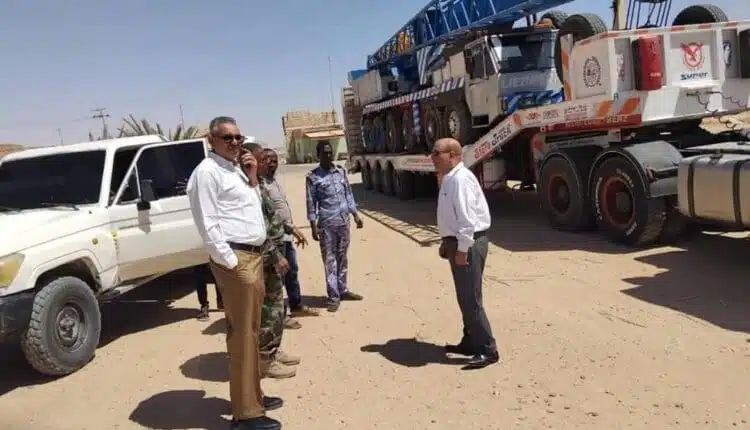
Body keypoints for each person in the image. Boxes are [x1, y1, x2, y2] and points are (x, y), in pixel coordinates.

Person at [186, 116, 282, 430]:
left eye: (238, 137)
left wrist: (252, 177)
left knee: (250, 334)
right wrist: (229, 261)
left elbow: (249, 208)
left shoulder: (234, 169)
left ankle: (251, 397)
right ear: (210, 140)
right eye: (227, 137)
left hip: (251, 256)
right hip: (237, 260)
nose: (235, 142)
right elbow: (208, 223)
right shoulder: (207, 173)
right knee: (243, 336)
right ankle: (247, 414)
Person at [431, 137, 499, 369]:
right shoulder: (449, 178)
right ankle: (470, 341)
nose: (432, 157)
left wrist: (461, 249)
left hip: (468, 244)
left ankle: (488, 349)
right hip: (457, 242)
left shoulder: (460, 179)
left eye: (437, 153)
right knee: (464, 296)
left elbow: (467, 221)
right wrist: (446, 242)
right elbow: (451, 216)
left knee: (471, 298)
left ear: (452, 155)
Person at [244, 141, 303, 379]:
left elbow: (273, 217)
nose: (266, 163)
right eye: (261, 159)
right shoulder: (248, 189)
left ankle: (272, 351)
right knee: (269, 310)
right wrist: (276, 255)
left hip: (276, 250)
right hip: (266, 257)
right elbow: (258, 228)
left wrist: (291, 229)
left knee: (277, 308)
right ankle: (265, 360)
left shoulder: (259, 185)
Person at [305, 141, 364, 312]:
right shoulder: (313, 177)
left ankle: (343, 290)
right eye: (324, 153)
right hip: (326, 226)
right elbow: (311, 202)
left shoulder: (341, 171)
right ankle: (333, 296)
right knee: (330, 261)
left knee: (342, 257)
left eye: (330, 152)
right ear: (318, 155)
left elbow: (348, 195)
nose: (328, 155)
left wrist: (355, 215)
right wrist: (313, 226)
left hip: (343, 223)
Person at [262, 147, 319, 318]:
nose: (273, 164)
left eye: (275, 160)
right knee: (277, 275)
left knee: (291, 270)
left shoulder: (274, 182)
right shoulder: (261, 185)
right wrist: (292, 228)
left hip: (285, 234)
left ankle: (296, 306)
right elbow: (272, 214)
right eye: (268, 160)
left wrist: (292, 229)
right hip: (274, 236)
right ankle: (279, 314)